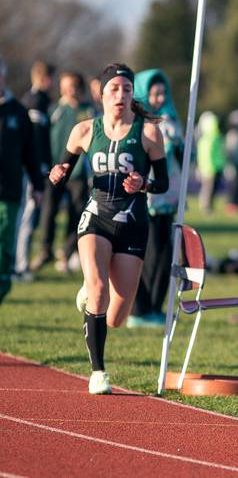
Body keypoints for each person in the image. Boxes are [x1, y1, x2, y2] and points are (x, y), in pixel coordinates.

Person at [48, 63, 167, 394]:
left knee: (116, 316)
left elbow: (163, 183)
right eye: (114, 89)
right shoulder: (85, 131)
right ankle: (98, 372)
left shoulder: (148, 133)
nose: (120, 95)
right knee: (99, 289)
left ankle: (90, 294)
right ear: (101, 94)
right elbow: (62, 168)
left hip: (132, 224)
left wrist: (143, 183)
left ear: (132, 95)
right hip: (96, 217)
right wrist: (56, 174)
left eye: (126, 90)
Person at [129, 69, 184, 328]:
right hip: (149, 198)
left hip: (169, 198)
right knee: (151, 254)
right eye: (154, 93)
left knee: (165, 256)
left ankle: (156, 306)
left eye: (163, 92)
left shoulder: (172, 121)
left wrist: (180, 145)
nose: (160, 97)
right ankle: (141, 309)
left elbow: (185, 160)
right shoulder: (140, 123)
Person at [31, 71, 94, 273]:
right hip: (55, 172)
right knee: (49, 212)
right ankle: (45, 250)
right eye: (65, 85)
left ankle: (65, 253)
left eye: (73, 85)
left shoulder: (88, 111)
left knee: (77, 214)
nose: (69, 89)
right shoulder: (54, 110)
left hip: (78, 175)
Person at [0, 55, 44, 305]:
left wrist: (37, 187)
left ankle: (3, 284)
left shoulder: (18, 112)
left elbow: (31, 153)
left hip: (8, 192)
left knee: (4, 249)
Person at [15, 60, 55, 281]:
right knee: (26, 217)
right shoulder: (35, 102)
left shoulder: (38, 100)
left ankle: (19, 265)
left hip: (33, 169)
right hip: (31, 170)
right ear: (45, 78)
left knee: (28, 217)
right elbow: (35, 139)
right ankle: (19, 266)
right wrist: (39, 167)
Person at [195, 111, 225, 215]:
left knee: (212, 189)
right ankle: (206, 207)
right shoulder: (209, 138)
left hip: (215, 167)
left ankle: (209, 207)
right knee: (208, 189)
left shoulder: (215, 137)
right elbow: (206, 155)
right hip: (209, 168)